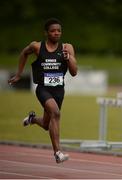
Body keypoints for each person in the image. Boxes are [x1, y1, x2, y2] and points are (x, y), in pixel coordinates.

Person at [8, 18, 77, 163]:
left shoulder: (67, 48)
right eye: (53, 31)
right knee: (56, 113)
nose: (56, 33)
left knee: (47, 124)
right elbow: (24, 53)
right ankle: (58, 153)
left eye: (59, 31)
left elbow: (74, 72)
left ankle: (32, 119)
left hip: (59, 90)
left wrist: (68, 58)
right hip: (43, 89)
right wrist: (19, 74)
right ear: (46, 33)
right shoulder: (37, 47)